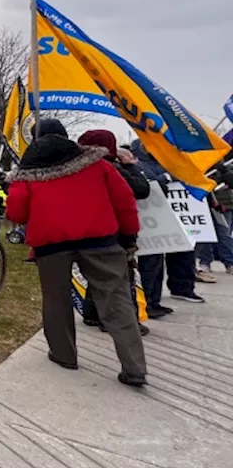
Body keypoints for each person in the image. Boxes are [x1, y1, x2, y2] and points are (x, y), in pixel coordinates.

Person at [7, 119, 147, 386]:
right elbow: (124, 200)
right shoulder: (98, 163)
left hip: (50, 243)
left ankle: (63, 354)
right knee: (116, 301)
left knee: (56, 300)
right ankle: (134, 366)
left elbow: (17, 212)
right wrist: (129, 236)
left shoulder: (27, 171)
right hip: (101, 239)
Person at [77, 130, 150, 334]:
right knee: (121, 278)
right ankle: (120, 320)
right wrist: (131, 166)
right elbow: (141, 189)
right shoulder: (111, 169)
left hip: (88, 228)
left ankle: (92, 312)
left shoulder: (77, 168)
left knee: (97, 273)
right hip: (114, 230)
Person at [130, 139, 203, 305]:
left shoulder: (166, 162)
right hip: (153, 219)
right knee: (152, 260)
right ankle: (150, 298)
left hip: (179, 214)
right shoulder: (137, 164)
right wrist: (165, 178)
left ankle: (183, 288)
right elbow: (146, 185)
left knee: (184, 252)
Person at [197, 159, 233, 277]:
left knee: (224, 234)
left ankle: (230, 262)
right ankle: (205, 262)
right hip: (203, 204)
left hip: (223, 204)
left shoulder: (226, 166)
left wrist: (224, 171)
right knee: (205, 235)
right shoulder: (199, 164)